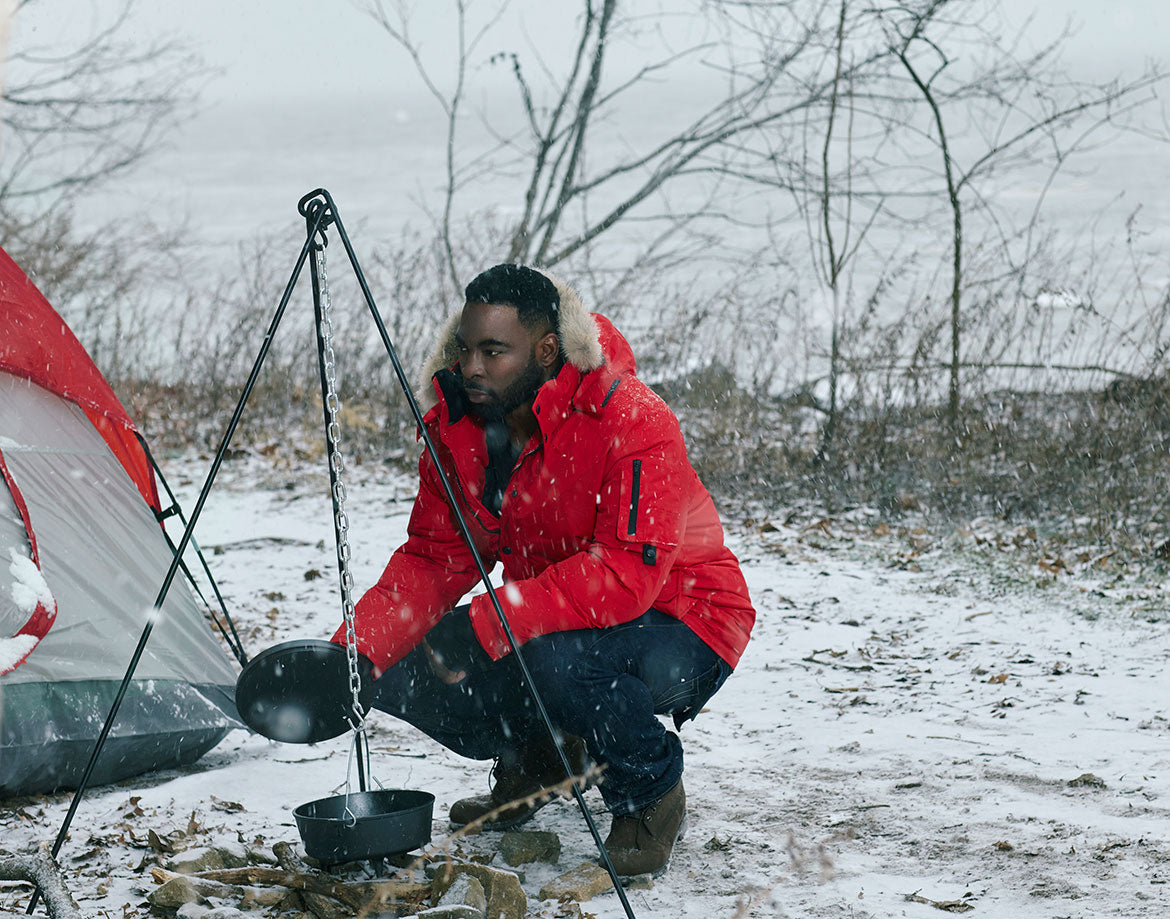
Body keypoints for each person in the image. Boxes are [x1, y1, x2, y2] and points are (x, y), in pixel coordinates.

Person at [333, 263, 755, 876]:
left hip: (688, 622)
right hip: (558, 621)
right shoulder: (464, 430)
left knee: (555, 660)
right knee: (400, 665)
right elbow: (434, 556)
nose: (472, 367)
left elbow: (626, 575)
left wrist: (489, 619)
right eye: (467, 348)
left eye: (494, 351)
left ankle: (649, 792)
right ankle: (545, 757)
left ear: (547, 349)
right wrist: (352, 656)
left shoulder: (632, 419)